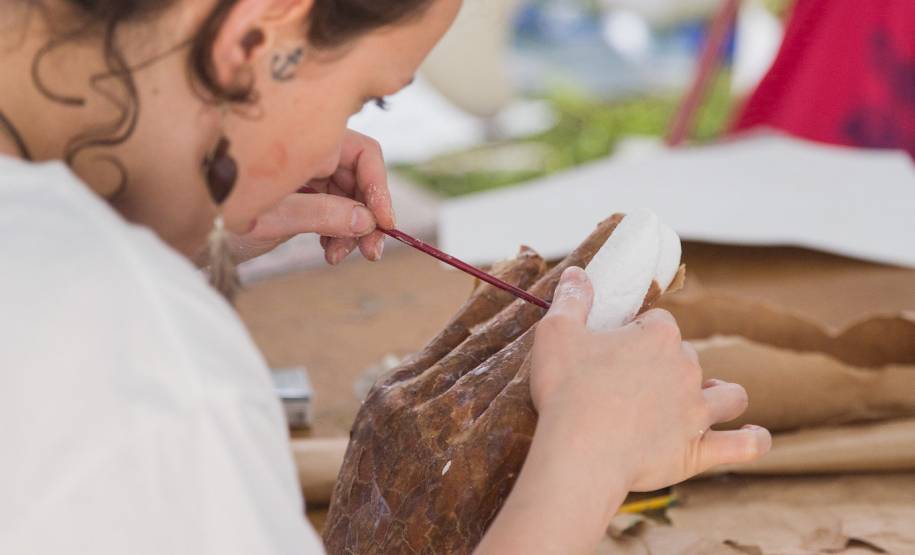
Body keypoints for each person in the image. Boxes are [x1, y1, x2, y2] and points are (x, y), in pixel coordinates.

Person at [0, 1, 771, 553]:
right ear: (255, 40)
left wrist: (178, 230)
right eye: (366, 96)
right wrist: (586, 463)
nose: (334, 151)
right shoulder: (134, 361)